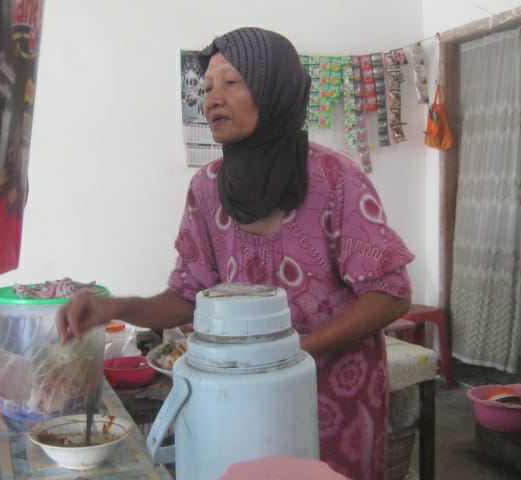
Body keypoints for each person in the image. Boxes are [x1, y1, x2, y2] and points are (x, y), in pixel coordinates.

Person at [56, 27, 413, 480]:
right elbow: (188, 295)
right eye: (205, 88)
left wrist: (296, 352)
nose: (212, 99)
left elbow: (391, 292)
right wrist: (113, 307)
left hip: (335, 405)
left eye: (232, 82)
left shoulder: (335, 178)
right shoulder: (206, 189)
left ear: (274, 88)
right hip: (241, 405)